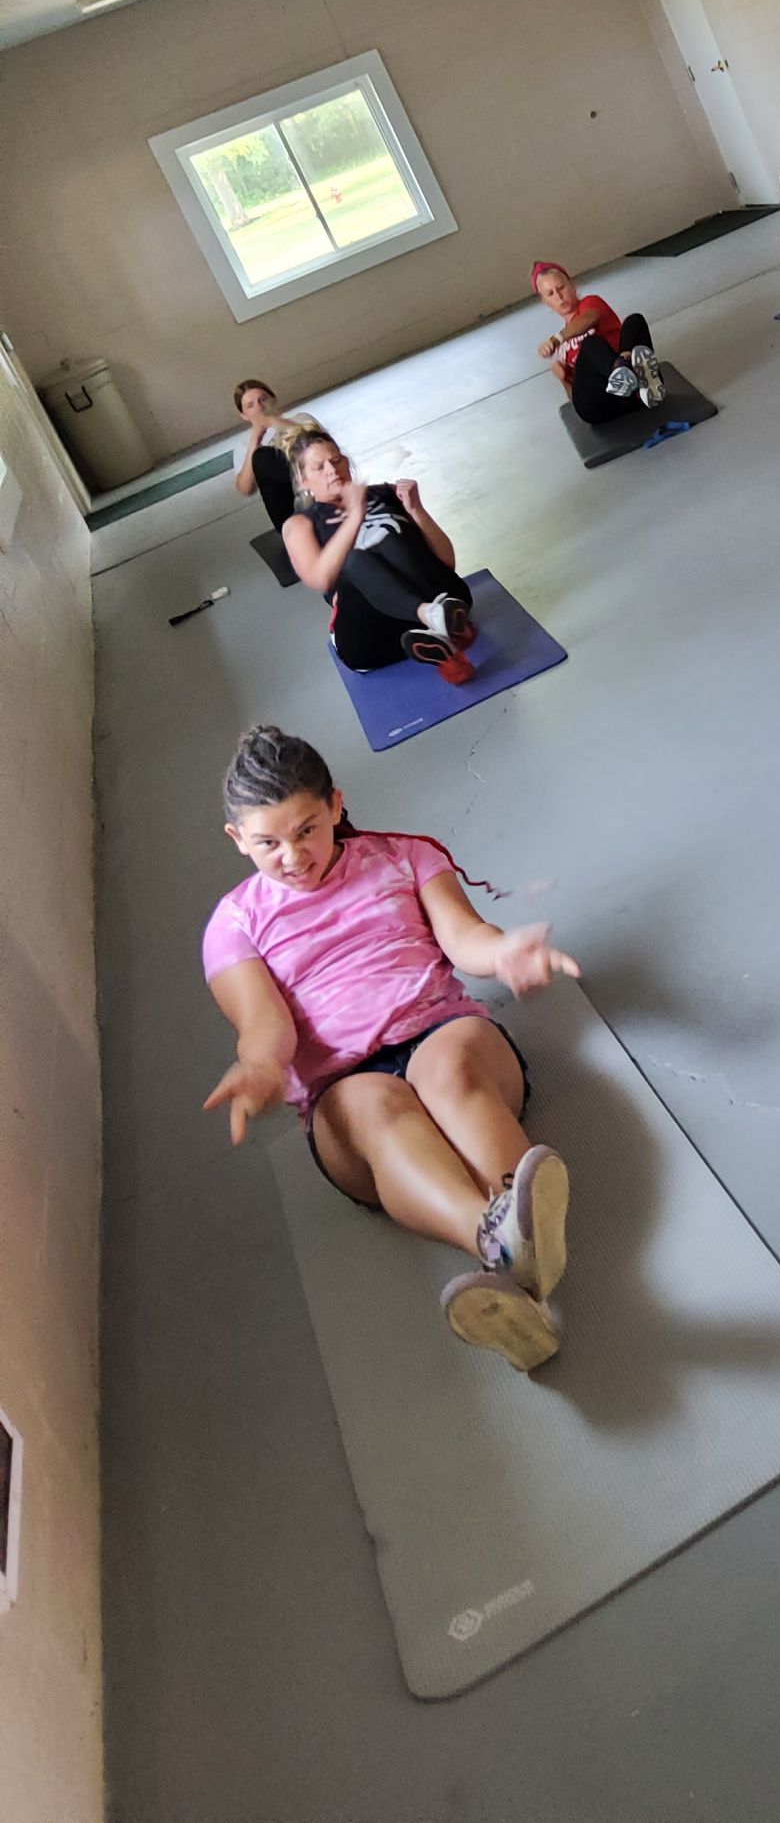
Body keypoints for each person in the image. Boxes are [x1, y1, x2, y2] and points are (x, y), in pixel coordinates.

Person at [203, 725, 579, 1374]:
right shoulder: (233, 925)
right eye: (268, 842)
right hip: (342, 1086)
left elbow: (466, 938)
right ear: (237, 838)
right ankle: (500, 1244)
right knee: (376, 1110)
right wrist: (260, 1067)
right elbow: (266, 1026)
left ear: (336, 807)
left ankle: (511, 1254)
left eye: (307, 831)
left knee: (449, 1071)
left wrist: (506, 953)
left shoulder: (404, 856)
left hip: (439, 1030)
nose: (292, 856)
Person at [281, 431, 477, 679]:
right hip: (369, 636)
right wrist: (354, 516)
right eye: (319, 467)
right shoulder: (300, 525)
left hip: (433, 605)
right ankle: (432, 618)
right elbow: (320, 578)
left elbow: (446, 561)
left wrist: (416, 510)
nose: (332, 470)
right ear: (303, 480)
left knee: (391, 542)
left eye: (337, 460)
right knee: (355, 560)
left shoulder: (384, 494)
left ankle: (439, 630)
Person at [531, 261, 665, 425]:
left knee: (633, 322)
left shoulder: (590, 303)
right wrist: (564, 380)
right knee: (590, 346)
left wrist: (557, 338)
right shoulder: (561, 350)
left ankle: (638, 383)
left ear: (571, 285)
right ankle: (627, 376)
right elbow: (576, 398)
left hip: (632, 399)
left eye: (561, 288)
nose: (559, 297)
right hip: (601, 407)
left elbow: (589, 318)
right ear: (545, 301)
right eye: (550, 294)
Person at [232, 379, 325, 531]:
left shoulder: (302, 420)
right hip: (289, 511)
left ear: (273, 399)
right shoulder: (244, 446)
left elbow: (323, 447)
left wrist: (277, 422)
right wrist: (256, 440)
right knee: (262, 457)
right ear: (243, 415)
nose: (259, 407)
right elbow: (246, 489)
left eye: (263, 399)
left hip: (320, 489)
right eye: (250, 405)